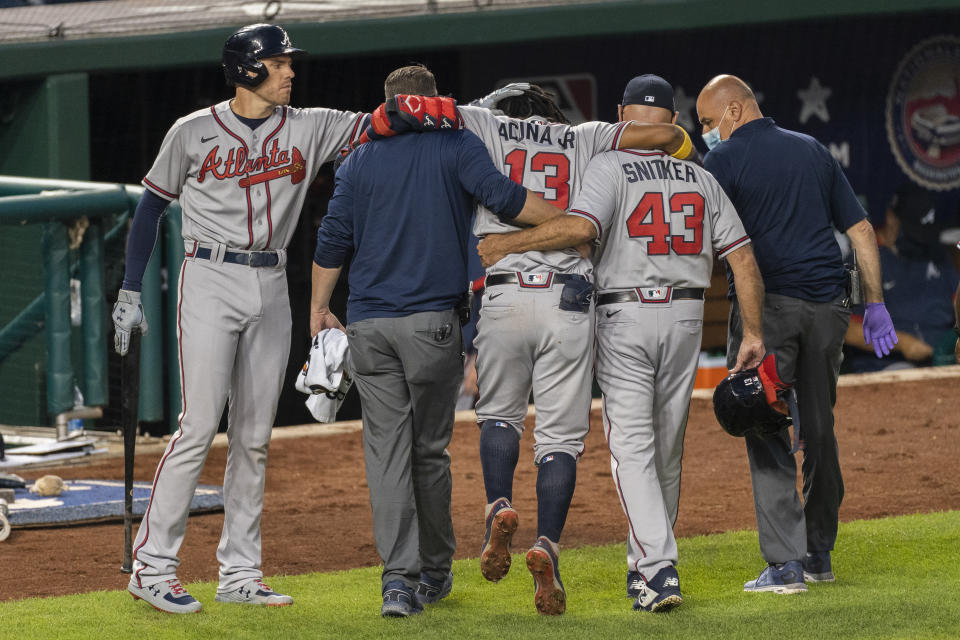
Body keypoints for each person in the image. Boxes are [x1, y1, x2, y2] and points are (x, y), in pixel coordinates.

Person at [477, 74, 766, 613]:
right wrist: (753, 333)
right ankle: (642, 567)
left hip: (625, 313)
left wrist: (508, 244)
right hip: (684, 317)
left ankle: (659, 570)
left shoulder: (607, 163)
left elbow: (578, 229)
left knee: (631, 446)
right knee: (667, 446)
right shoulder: (699, 176)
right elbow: (743, 259)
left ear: (620, 117)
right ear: (675, 123)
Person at [111, 24, 366, 614]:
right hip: (209, 278)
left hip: (273, 280)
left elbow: (379, 123)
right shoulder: (192, 131)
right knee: (199, 425)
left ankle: (240, 573)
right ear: (249, 69)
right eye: (279, 64)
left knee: (253, 436)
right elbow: (150, 210)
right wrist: (129, 289)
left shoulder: (309, 124)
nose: (290, 72)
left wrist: (446, 110)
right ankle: (152, 567)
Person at [309, 65, 565, 618]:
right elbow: (506, 198)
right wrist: (570, 222)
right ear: (431, 101)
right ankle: (434, 572)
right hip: (432, 326)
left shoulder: (358, 159)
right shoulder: (456, 143)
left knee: (386, 456)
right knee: (427, 452)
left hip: (369, 329)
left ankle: (397, 584)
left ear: (388, 105)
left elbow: (332, 239)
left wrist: (317, 308)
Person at [450, 82, 700, 616]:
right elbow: (668, 134)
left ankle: (498, 503)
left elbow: (414, 107)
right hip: (569, 299)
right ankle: (548, 546)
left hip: (505, 294)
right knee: (559, 440)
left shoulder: (484, 124)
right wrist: (677, 142)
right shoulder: (584, 136)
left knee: (499, 416)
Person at [695, 74, 897, 593]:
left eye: (707, 121)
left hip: (773, 311)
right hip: (830, 310)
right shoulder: (812, 150)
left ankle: (785, 566)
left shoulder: (722, 161)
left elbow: (709, 242)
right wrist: (875, 304)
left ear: (735, 112)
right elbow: (861, 232)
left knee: (764, 424)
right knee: (821, 430)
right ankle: (819, 555)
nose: (705, 133)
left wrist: (753, 328)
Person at [843, 183, 960, 371]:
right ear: (891, 219)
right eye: (914, 234)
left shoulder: (937, 255)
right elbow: (845, 329)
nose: (921, 241)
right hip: (889, 363)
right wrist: (902, 344)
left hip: (942, 358)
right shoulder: (861, 262)